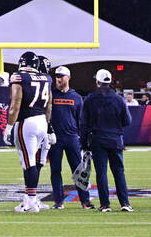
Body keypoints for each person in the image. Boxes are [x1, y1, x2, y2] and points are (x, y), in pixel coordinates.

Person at [4, 51, 52, 213]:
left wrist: (9, 127)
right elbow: (49, 106)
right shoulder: (47, 78)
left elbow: (15, 105)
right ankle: (30, 199)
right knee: (35, 160)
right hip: (42, 122)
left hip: (27, 122)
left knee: (28, 161)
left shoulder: (19, 77)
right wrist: (48, 127)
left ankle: (31, 202)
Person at [80, 68, 132, 213]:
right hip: (115, 139)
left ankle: (105, 205)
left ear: (97, 82)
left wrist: (84, 143)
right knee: (119, 172)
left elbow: (83, 124)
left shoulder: (90, 99)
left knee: (101, 173)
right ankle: (125, 203)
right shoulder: (119, 99)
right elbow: (127, 120)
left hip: (98, 140)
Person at [49, 66, 92, 210]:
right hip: (55, 139)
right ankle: (58, 201)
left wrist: (82, 138)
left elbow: (82, 120)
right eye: (56, 76)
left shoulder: (76, 97)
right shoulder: (51, 95)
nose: (58, 79)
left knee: (78, 170)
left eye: (61, 76)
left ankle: (85, 201)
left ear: (68, 77)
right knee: (55, 170)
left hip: (72, 138)